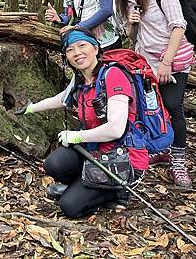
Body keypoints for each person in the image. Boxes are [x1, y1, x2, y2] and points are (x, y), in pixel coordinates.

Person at [16, 28, 146, 219]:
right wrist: (31, 108)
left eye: (82, 46)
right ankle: (87, 185)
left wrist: (77, 136)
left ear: (95, 48)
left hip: (123, 158)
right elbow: (61, 99)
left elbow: (116, 128)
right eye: (70, 50)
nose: (76, 53)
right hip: (95, 150)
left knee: (70, 207)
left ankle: (117, 192)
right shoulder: (81, 79)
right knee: (54, 164)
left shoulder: (113, 75)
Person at [110, 0, 195, 188]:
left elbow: (179, 27)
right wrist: (131, 23)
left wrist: (166, 63)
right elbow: (131, 34)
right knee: (151, 108)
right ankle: (160, 148)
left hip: (172, 61)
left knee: (172, 105)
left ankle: (178, 160)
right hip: (145, 63)